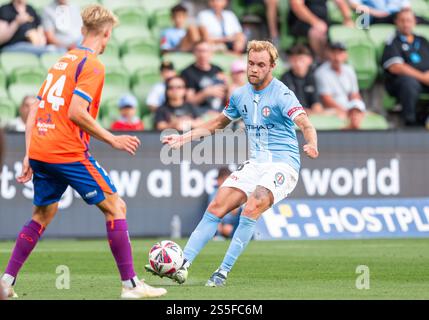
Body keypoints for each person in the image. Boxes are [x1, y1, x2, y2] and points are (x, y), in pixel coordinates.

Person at [0, 5, 166, 299]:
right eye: (108, 37)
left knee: (42, 214)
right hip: (66, 151)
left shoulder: (63, 61)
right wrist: (112, 139)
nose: (107, 42)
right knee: (117, 207)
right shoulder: (93, 65)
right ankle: (130, 286)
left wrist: (28, 154)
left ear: (81, 31)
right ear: (105, 33)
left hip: (41, 147)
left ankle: (5, 281)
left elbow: (35, 110)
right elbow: (77, 112)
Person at [146, 40, 319, 286]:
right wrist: (183, 137)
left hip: (283, 165)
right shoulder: (239, 95)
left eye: (261, 65)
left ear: (272, 66)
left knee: (252, 207)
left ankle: (222, 272)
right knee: (216, 206)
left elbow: (306, 124)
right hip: (255, 164)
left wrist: (311, 143)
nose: (254, 69)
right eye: (251, 63)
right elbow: (216, 124)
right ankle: (182, 265)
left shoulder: (282, 94)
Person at [382, 8, 429, 126]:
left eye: (409, 20)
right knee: (409, 83)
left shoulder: (422, 40)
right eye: (402, 20)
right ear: (396, 22)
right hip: (402, 82)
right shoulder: (393, 41)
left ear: (414, 22)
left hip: (425, 80)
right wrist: (423, 77)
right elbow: (396, 67)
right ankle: (410, 122)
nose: (406, 24)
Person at [315, 41, 366, 130]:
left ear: (346, 55)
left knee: (362, 115)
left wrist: (355, 109)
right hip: (331, 110)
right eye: (334, 53)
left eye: (340, 53)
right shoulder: (321, 72)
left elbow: (355, 94)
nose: (336, 57)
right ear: (328, 54)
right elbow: (326, 99)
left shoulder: (349, 70)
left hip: (349, 108)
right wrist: (345, 111)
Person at [288, 0, 354, 60]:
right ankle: (323, 62)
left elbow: (340, 2)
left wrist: (348, 19)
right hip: (301, 21)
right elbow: (296, 6)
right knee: (317, 33)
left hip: (323, 20)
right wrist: (315, 22)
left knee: (344, 29)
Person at [181, 41, 228, 118]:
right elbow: (189, 101)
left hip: (220, 110)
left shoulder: (218, 70)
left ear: (211, 53)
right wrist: (206, 93)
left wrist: (228, 87)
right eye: (199, 51)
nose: (202, 54)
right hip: (199, 112)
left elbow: (226, 95)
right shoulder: (187, 73)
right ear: (194, 53)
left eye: (205, 51)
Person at [281, 44, 324, 114]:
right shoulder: (285, 78)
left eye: (301, 59)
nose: (298, 64)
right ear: (289, 60)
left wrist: (316, 108)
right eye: (294, 60)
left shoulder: (314, 77)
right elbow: (287, 106)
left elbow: (317, 103)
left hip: (311, 116)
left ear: (310, 60)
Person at [209, 167, 240, 239]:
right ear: (218, 181)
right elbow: (214, 213)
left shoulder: (235, 192)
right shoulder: (215, 193)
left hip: (235, 223)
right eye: (224, 180)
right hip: (222, 224)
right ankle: (219, 236)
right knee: (227, 228)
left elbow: (236, 212)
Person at [349, 0, 429, 25]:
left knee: (421, 20)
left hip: (398, 15)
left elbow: (406, 7)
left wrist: (407, 15)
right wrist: (374, 12)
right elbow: (354, 4)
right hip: (378, 17)